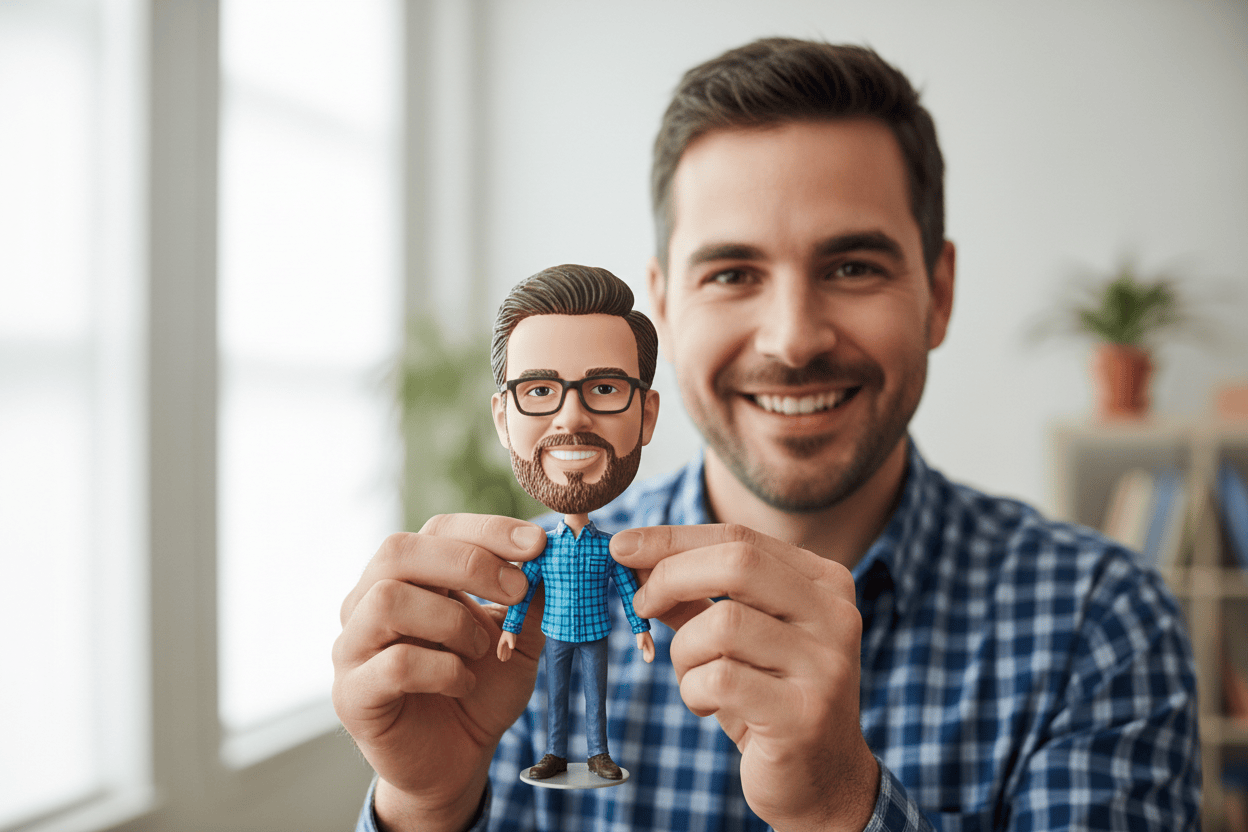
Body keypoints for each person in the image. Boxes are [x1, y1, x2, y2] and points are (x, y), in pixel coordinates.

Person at [332, 38, 1200, 832]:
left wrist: (841, 809)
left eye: (852, 266)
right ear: (664, 304)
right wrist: (427, 807)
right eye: (733, 272)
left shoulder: (1101, 623)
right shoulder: (497, 638)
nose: (793, 338)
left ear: (938, 292)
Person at [488, 265, 659, 782]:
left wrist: (642, 628)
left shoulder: (615, 547)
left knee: (595, 696)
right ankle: (556, 754)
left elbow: (628, 586)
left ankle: (598, 753)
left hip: (596, 634)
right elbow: (524, 588)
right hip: (555, 633)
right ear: (503, 419)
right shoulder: (532, 549)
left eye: (604, 387)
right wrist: (511, 630)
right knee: (556, 694)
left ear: (647, 416)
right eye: (539, 391)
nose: (571, 418)